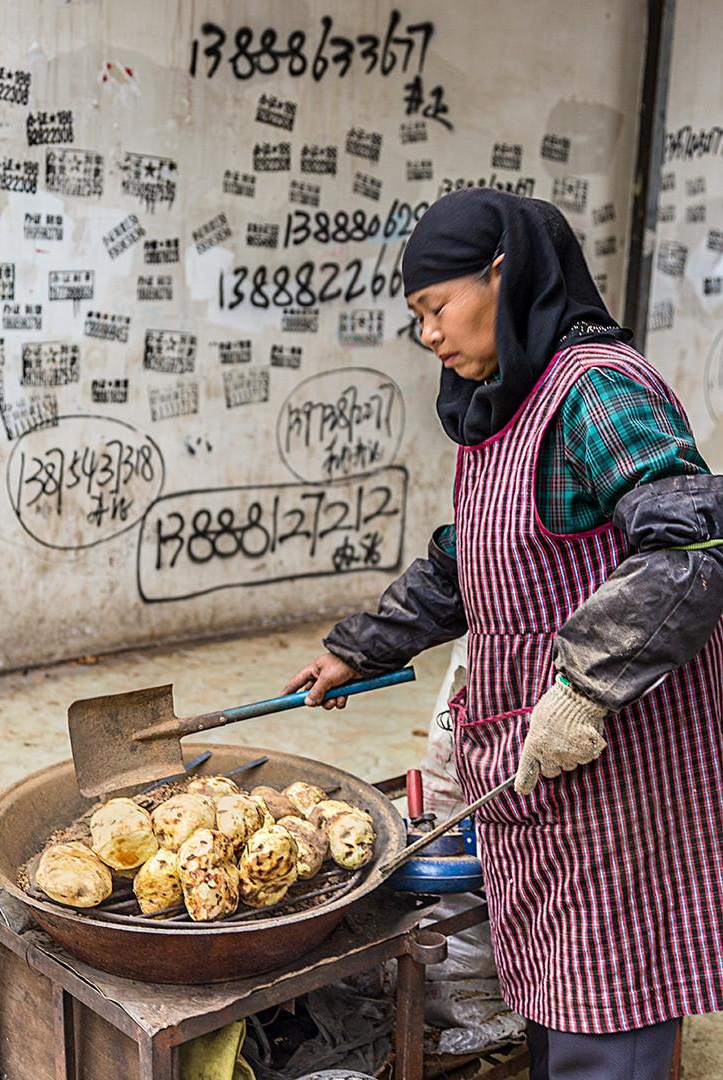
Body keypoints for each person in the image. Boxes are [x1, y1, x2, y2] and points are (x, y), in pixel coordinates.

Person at [282, 189, 723, 1080]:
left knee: (612, 1000)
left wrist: (587, 687)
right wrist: (360, 645)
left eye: (435, 307)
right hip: (537, 764)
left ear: (503, 274)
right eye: (416, 319)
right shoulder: (498, 405)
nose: (428, 336)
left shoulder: (597, 389)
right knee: (562, 992)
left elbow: (692, 543)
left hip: (619, 770)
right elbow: (466, 560)